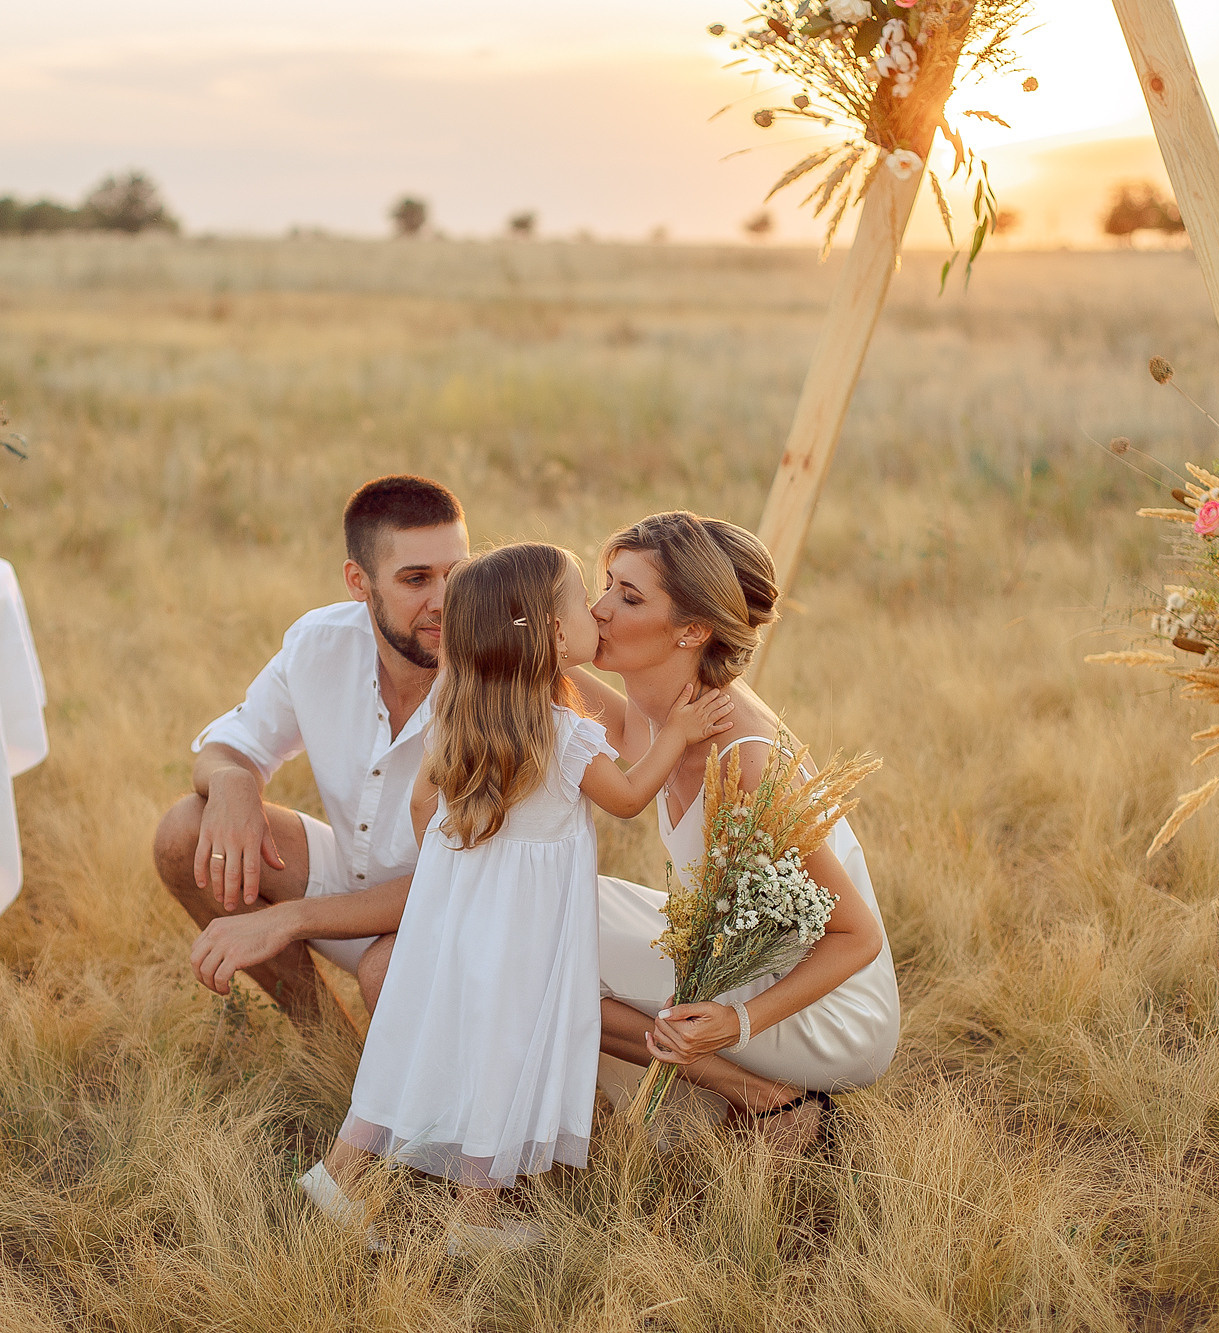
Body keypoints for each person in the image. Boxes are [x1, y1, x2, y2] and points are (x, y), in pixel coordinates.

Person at [298, 542, 732, 1249]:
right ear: (555, 635)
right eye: (583, 599)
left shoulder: (463, 714)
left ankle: (335, 1177)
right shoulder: (562, 734)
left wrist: (462, 873)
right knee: (500, 1053)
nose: (596, 608)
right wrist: (677, 733)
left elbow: (420, 808)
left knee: (414, 1045)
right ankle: (474, 1216)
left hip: (454, 925)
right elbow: (625, 798)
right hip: (523, 936)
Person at [573, 511, 900, 1145]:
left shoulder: (743, 756)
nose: (599, 609)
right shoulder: (665, 708)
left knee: (552, 947)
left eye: (629, 596)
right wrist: (494, 636)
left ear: (692, 629)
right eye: (607, 583)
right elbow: (569, 693)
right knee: (559, 910)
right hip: (737, 959)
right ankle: (744, 1093)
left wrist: (738, 1023)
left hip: (823, 1010)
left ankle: (769, 1099)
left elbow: (857, 935)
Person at [155, 475, 467, 1030]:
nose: (444, 602)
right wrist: (234, 782)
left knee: (387, 967)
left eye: (457, 574)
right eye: (416, 579)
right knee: (186, 828)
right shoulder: (320, 643)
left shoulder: (493, 672)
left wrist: (290, 920)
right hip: (355, 879)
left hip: (454, 913)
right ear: (359, 582)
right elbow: (229, 747)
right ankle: (325, 1037)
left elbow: (458, 882)